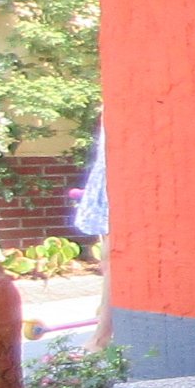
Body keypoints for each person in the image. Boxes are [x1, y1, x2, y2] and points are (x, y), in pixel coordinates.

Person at [71, 123, 110, 350]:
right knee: (108, 260)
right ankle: (103, 331)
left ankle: (101, 338)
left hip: (116, 173)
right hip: (108, 171)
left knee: (112, 258)